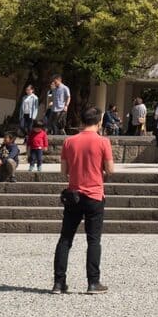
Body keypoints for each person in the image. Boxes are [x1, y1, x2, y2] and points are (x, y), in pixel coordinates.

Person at [53, 105, 115, 294]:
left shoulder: (69, 141)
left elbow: (63, 171)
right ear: (99, 121)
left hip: (73, 195)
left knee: (65, 238)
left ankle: (59, 283)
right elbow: (110, 170)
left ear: (82, 120)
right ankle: (93, 282)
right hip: (94, 195)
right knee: (93, 240)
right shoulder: (103, 142)